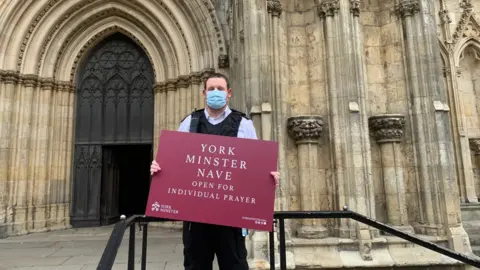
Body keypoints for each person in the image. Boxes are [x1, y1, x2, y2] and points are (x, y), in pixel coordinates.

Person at [149, 72, 280, 270]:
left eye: (220, 89)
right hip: (195, 218)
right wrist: (160, 168)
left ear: (229, 93)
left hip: (231, 218)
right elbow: (175, 163)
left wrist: (268, 178)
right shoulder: (189, 122)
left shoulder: (243, 125)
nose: (215, 93)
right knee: (196, 266)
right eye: (211, 89)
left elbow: (254, 166)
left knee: (234, 265)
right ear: (204, 93)